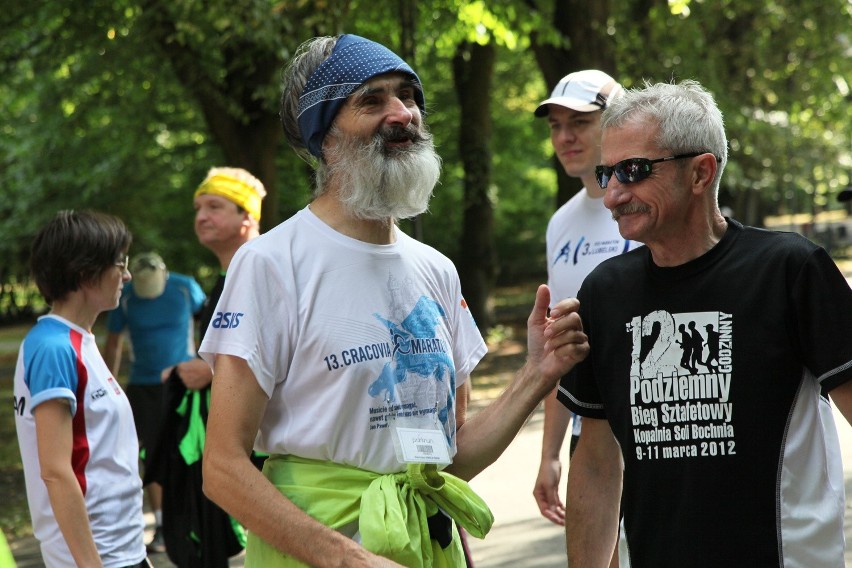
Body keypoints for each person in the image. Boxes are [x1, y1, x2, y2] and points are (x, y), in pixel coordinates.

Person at [199, 34, 590, 567]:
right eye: (371, 100)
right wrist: (349, 559)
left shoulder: (437, 271)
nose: (402, 113)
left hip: (425, 546)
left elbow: (448, 461)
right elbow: (222, 467)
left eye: (408, 95)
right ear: (325, 136)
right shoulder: (271, 263)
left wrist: (535, 374)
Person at [559, 79, 852, 567]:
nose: (612, 195)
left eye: (633, 171)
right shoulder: (604, 292)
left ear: (700, 172)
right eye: (607, 173)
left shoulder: (789, 270)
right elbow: (594, 459)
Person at [530, 70, 637, 533]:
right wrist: (550, 454)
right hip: (590, 433)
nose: (565, 136)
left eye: (579, 121)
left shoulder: (646, 204)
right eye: (555, 125)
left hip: (660, 421)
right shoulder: (561, 225)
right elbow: (562, 346)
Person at [143, 167, 266, 568]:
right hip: (232, 444)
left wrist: (209, 372)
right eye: (198, 207)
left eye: (214, 206)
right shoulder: (226, 279)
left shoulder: (265, 271)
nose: (201, 216)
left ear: (247, 217)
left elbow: (292, 350)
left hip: (268, 452)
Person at [13, 210, 150, 567]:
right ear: (85, 273)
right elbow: (56, 471)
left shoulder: (79, 341)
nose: (128, 274)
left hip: (122, 552)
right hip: (96, 558)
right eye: (120, 264)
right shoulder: (55, 347)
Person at [103, 252, 206, 553]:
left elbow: (209, 321)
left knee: (191, 450)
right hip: (142, 385)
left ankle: (196, 520)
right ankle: (162, 524)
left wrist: (204, 362)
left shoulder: (185, 287)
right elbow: (113, 343)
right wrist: (109, 388)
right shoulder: (126, 296)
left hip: (184, 381)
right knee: (151, 454)